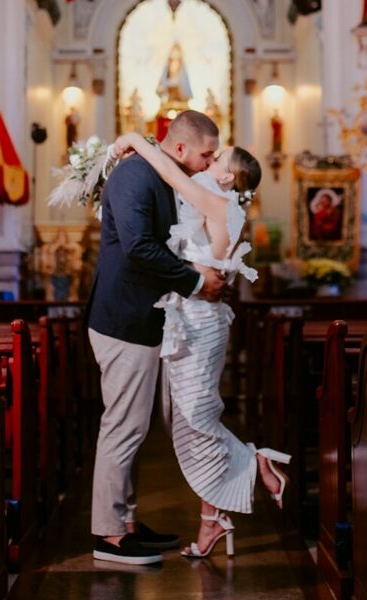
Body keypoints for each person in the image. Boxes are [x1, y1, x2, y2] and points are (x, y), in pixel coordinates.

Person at [112, 128, 290, 560]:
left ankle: (256, 462)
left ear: (228, 178)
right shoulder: (218, 202)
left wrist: (135, 138)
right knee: (188, 420)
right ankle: (211, 518)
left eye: (217, 159)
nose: (209, 163)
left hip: (200, 321)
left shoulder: (219, 203)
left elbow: (172, 175)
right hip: (187, 316)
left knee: (194, 416)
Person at [87, 110, 228, 565]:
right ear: (182, 147)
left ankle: (126, 522)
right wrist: (195, 280)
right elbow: (138, 247)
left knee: (134, 427)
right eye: (207, 154)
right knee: (123, 427)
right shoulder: (135, 175)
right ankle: (109, 535)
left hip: (141, 316)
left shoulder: (160, 173)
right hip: (123, 317)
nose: (210, 163)